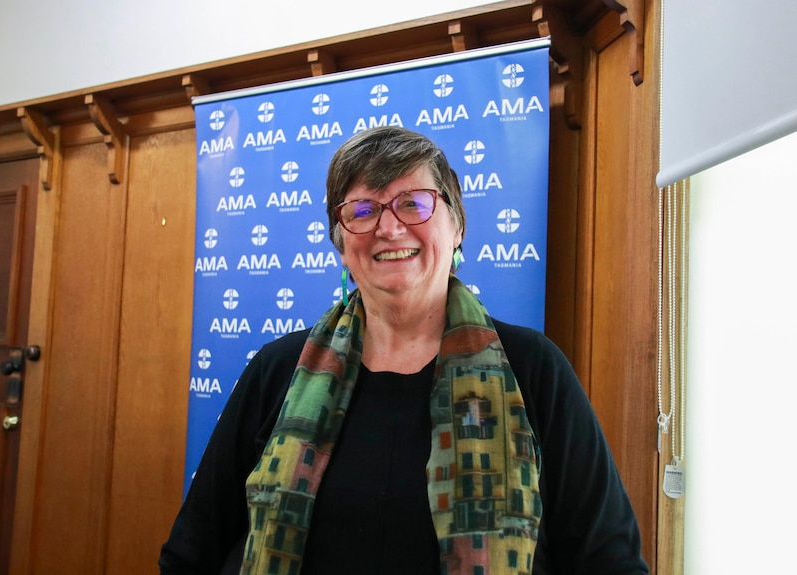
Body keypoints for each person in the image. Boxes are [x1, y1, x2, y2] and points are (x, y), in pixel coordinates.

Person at [159, 126, 649, 575]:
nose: (389, 229)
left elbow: (610, 561)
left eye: (413, 204)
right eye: (363, 211)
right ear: (340, 242)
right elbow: (191, 552)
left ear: (457, 227)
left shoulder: (535, 369)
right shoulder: (277, 372)